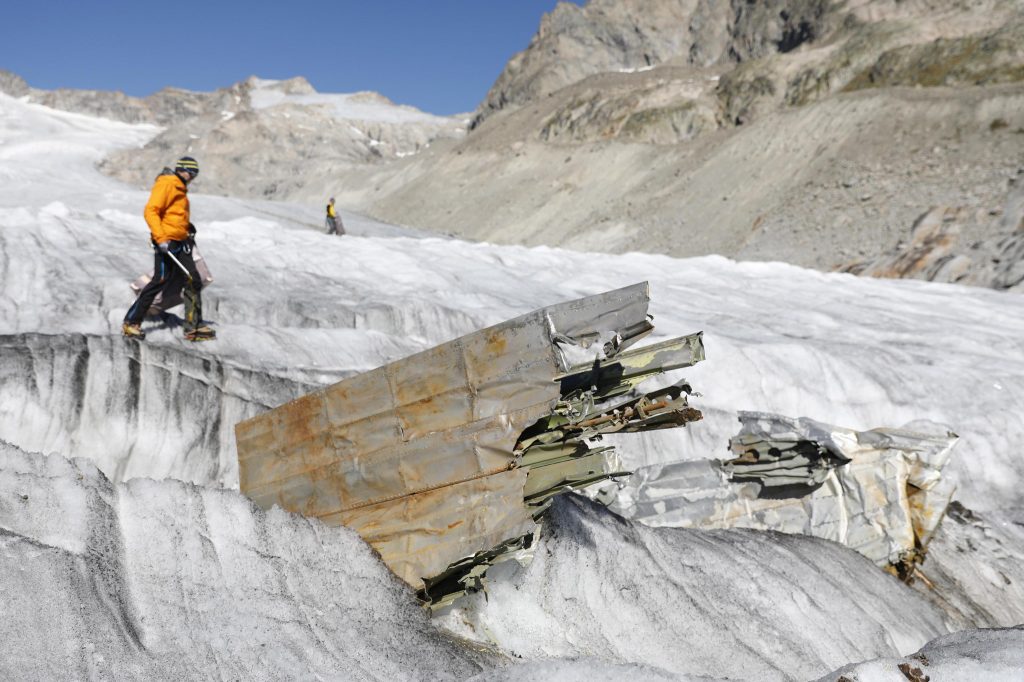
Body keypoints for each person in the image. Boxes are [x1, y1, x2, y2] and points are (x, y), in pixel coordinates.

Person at [122, 156, 216, 341]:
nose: (192, 176)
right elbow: (151, 210)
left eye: (195, 174)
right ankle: (131, 322)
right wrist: (161, 238)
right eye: (190, 172)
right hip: (167, 243)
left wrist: (186, 227)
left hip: (181, 242)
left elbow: (173, 215)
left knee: (193, 279)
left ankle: (193, 327)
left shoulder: (179, 187)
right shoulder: (167, 183)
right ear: (181, 169)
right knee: (160, 280)